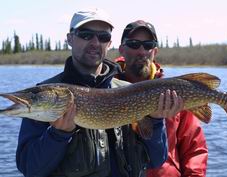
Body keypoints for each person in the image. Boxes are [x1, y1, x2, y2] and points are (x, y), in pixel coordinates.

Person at [15, 8, 182, 177]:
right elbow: (29, 168)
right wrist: (58, 135)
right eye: (86, 34)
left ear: (109, 44)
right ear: (70, 39)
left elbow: (156, 159)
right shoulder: (50, 93)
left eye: (103, 37)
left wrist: (155, 120)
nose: (95, 42)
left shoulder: (127, 89)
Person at [116, 20, 208, 177]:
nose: (141, 51)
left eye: (148, 45)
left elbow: (195, 150)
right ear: (122, 50)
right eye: (133, 44)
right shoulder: (106, 91)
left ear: (155, 51)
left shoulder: (174, 93)